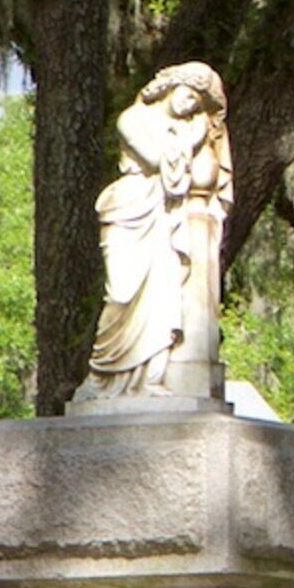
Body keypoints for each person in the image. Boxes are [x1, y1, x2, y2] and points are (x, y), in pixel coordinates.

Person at [73, 62, 232, 401]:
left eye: (196, 104)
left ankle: (150, 379)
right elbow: (155, 158)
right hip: (130, 209)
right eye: (188, 96)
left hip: (164, 216)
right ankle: (102, 375)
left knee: (163, 298)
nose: (189, 106)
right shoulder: (133, 119)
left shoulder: (188, 129)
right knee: (121, 293)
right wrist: (191, 140)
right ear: (170, 87)